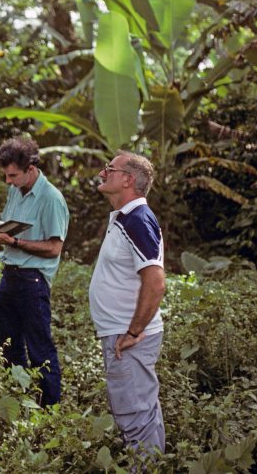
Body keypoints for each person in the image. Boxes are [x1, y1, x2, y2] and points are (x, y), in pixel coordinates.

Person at [0, 137, 69, 407]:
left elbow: (54, 247)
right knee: (7, 346)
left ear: (30, 168)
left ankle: (49, 409)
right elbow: (10, 226)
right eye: (5, 175)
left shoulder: (51, 198)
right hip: (10, 276)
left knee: (40, 348)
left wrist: (13, 242)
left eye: (12, 175)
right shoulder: (16, 190)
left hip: (34, 280)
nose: (8, 181)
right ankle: (18, 403)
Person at [89, 151, 166, 454]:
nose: (102, 173)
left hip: (129, 337)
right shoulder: (125, 218)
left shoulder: (137, 220)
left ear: (127, 179)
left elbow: (155, 281)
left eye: (109, 169)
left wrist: (134, 331)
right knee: (140, 413)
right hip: (121, 332)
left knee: (136, 417)